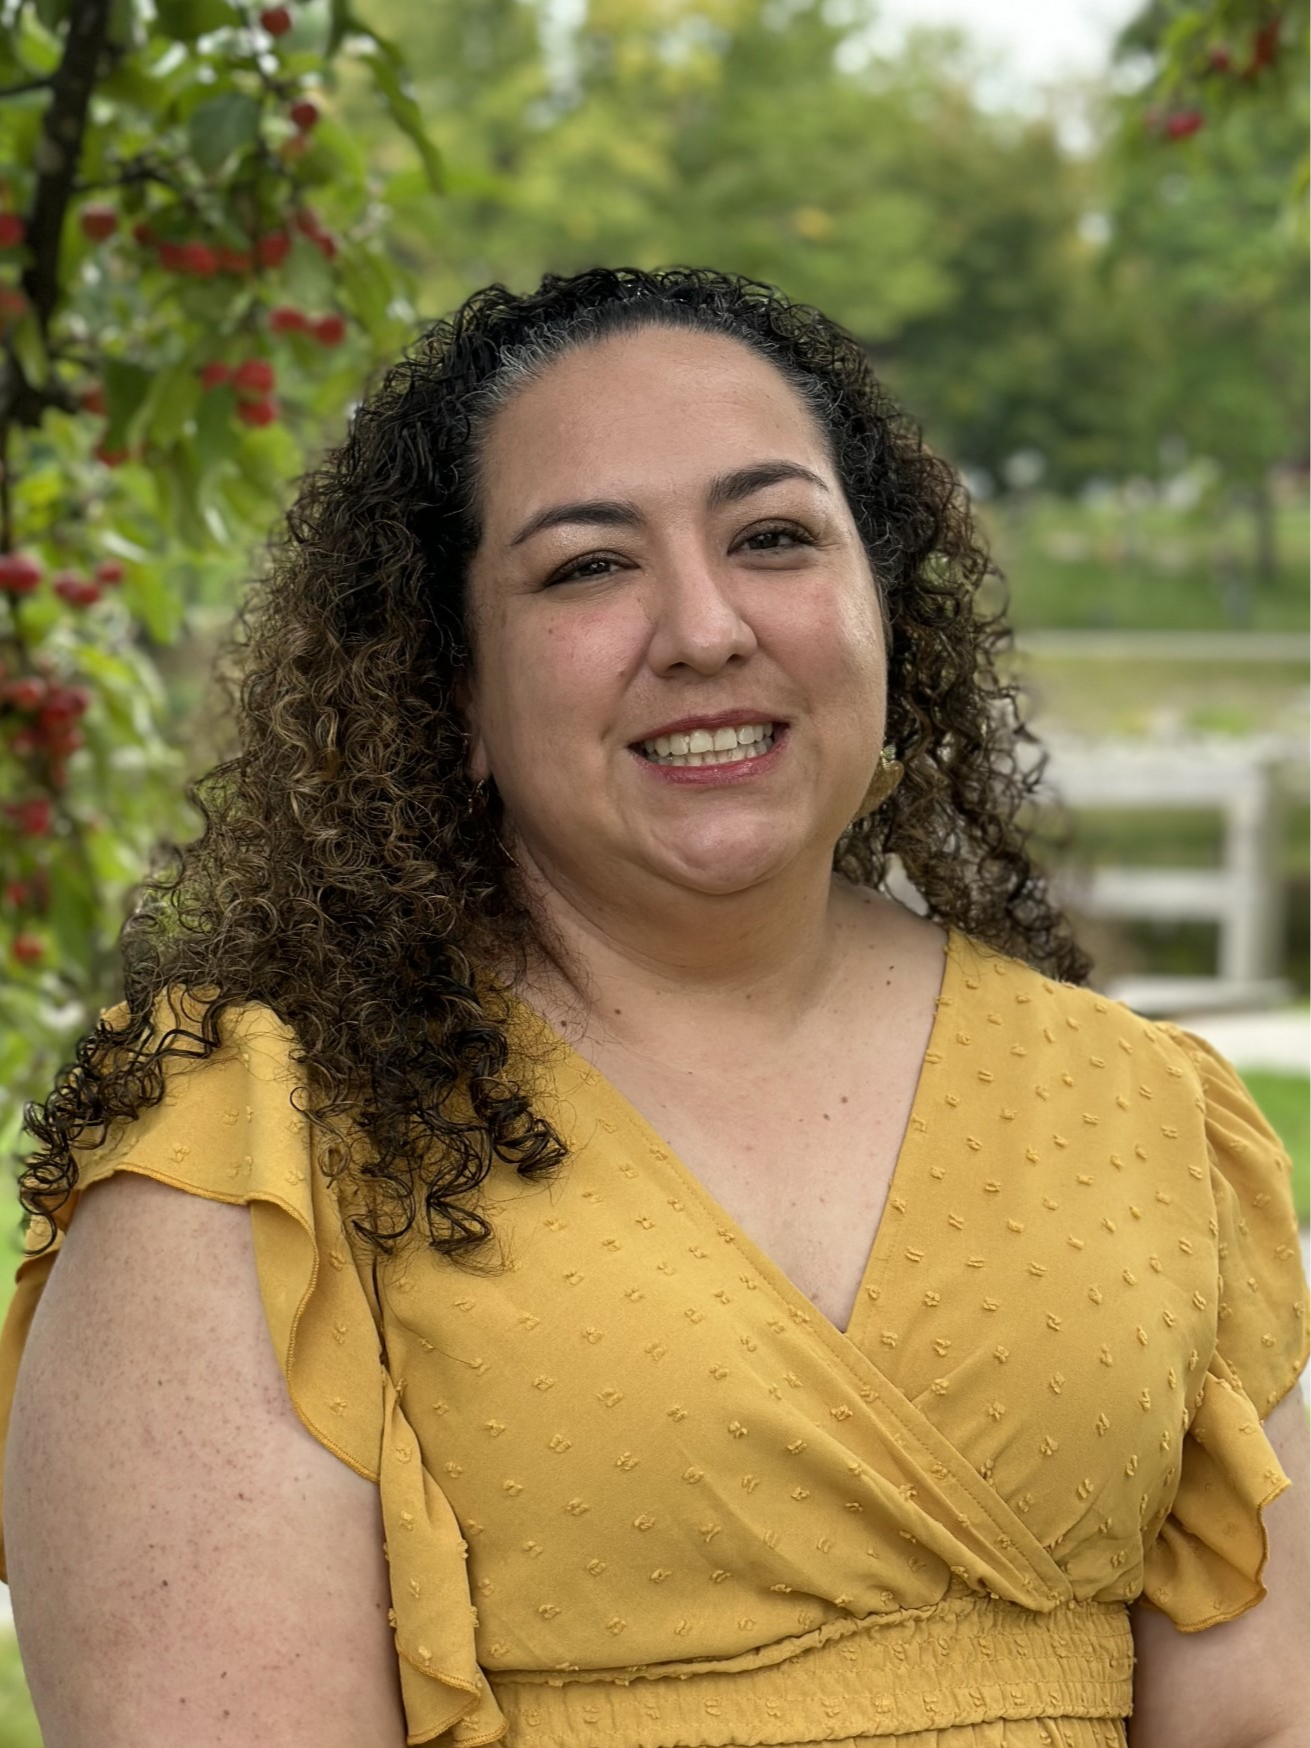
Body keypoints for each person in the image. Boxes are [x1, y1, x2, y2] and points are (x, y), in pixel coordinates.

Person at [1, 264, 1309, 1748]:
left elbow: (1259, 1719)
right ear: (452, 689)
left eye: (770, 537)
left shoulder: (1138, 1110)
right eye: (585, 568)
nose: (701, 627)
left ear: (882, 604)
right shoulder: (247, 1156)